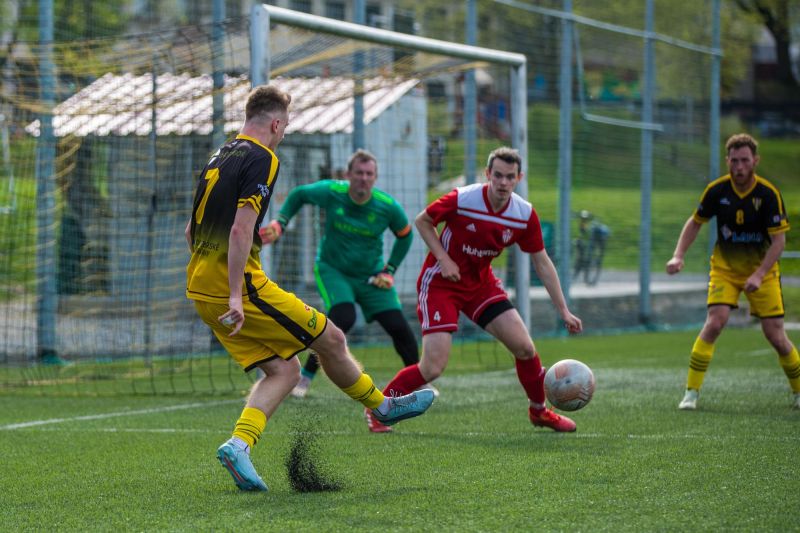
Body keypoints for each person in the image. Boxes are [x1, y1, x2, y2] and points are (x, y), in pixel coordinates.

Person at [184, 84, 435, 492]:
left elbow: (191, 230)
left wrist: (212, 278)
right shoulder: (263, 157)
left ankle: (238, 445)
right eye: (285, 127)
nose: (283, 134)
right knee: (332, 338)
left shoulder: (219, 154)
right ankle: (383, 406)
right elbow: (239, 228)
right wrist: (234, 292)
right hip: (240, 291)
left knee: (284, 369)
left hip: (200, 288)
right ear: (277, 123)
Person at [370, 146, 583, 433]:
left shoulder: (523, 214)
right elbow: (423, 220)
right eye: (498, 175)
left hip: (481, 285)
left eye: (510, 177)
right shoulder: (465, 199)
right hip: (440, 284)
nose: (503, 182)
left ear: (519, 178)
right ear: (488, 175)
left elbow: (542, 262)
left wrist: (564, 310)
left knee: (524, 347)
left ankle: (539, 411)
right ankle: (379, 410)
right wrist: (444, 259)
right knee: (432, 368)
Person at [260, 149, 428, 432]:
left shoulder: (387, 206)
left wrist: (389, 270)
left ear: (375, 178)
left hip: (372, 276)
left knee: (399, 326)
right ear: (348, 175)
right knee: (342, 319)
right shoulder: (332, 192)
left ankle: (419, 383)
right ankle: (304, 378)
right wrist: (281, 222)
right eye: (359, 173)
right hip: (333, 270)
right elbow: (299, 194)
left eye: (369, 174)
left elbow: (405, 235)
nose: (363, 179)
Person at [666, 133, 798, 410]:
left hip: (762, 272)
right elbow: (695, 222)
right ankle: (691, 393)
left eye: (744, 161)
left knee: (775, 336)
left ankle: (798, 391)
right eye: (734, 160)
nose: (739, 166)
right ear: (727, 160)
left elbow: (779, 242)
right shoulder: (717, 191)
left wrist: (760, 274)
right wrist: (678, 255)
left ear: (755, 161)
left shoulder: (768, 194)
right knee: (715, 322)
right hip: (725, 269)